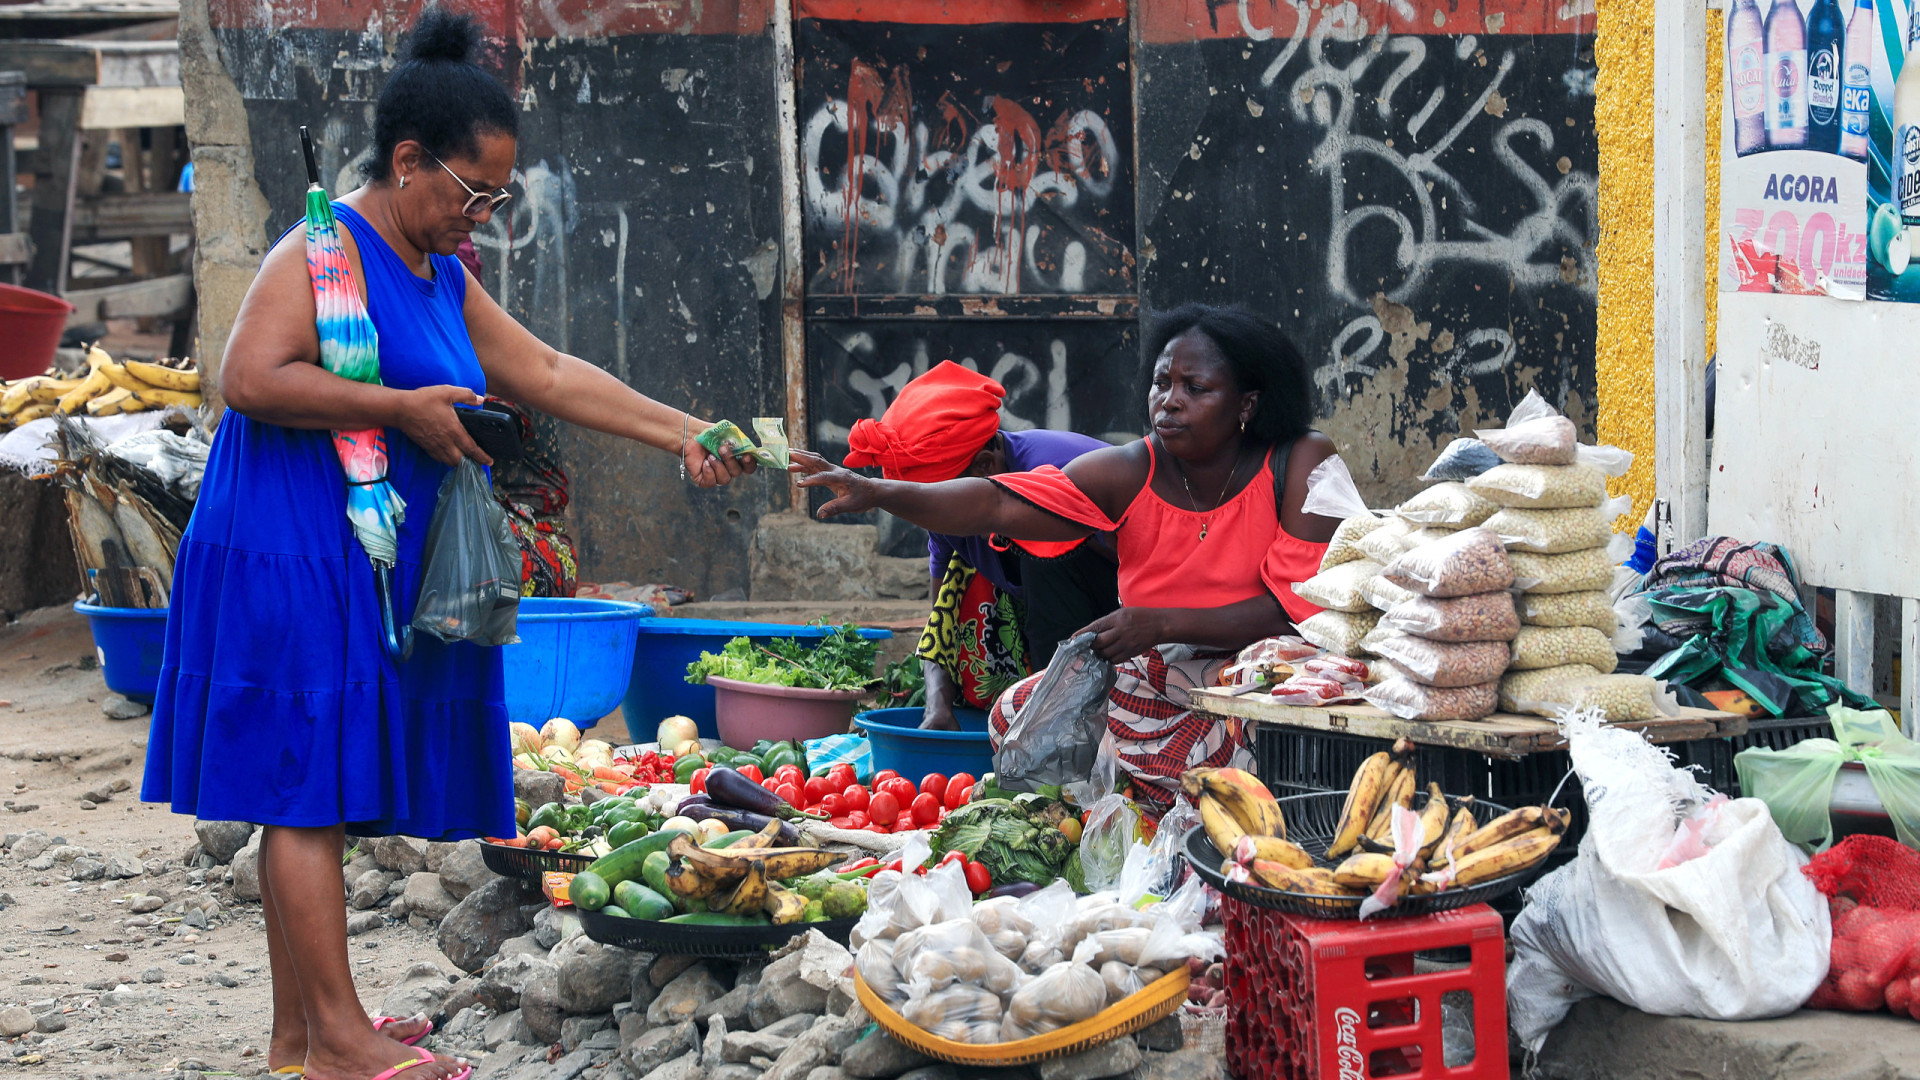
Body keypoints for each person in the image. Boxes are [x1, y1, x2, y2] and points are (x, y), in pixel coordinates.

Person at [139, 12, 751, 1080]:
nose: (485, 218)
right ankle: (336, 1036)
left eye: (500, 198)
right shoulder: (322, 249)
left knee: (318, 778)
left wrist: (686, 432)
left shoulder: (440, 269)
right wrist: (401, 407)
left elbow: (549, 374)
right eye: (474, 193)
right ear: (409, 161)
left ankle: (302, 1035)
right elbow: (248, 377)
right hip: (289, 542)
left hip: (364, 552)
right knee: (303, 782)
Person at [794, 304, 1341, 812]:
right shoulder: (1133, 468)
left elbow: (1300, 611)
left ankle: (1178, 796)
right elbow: (999, 502)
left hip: (1266, 671)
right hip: (1165, 672)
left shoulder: (1301, 463)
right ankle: (1135, 804)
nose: (1169, 401)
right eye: (1161, 383)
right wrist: (877, 492)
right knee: (1019, 715)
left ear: (1247, 403)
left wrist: (1157, 622)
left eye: (1195, 388)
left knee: (1254, 737)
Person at [841, 361, 1119, 731]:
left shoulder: (1061, 469)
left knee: (1041, 541)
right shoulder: (946, 513)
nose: (929, 523)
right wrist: (937, 701)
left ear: (985, 466)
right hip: (1040, 626)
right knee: (963, 569)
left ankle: (1067, 721)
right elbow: (944, 613)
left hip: (1119, 618)